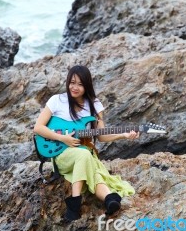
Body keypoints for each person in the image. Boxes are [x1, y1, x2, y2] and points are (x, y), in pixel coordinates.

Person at [33, 65, 139, 222]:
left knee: (87, 159)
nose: (75, 87)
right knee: (84, 155)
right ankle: (76, 202)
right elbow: (38, 128)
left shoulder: (94, 105)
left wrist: (123, 135)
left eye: (80, 84)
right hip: (61, 153)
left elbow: (101, 136)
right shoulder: (57, 101)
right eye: (72, 82)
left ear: (87, 85)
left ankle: (109, 199)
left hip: (83, 153)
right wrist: (63, 138)